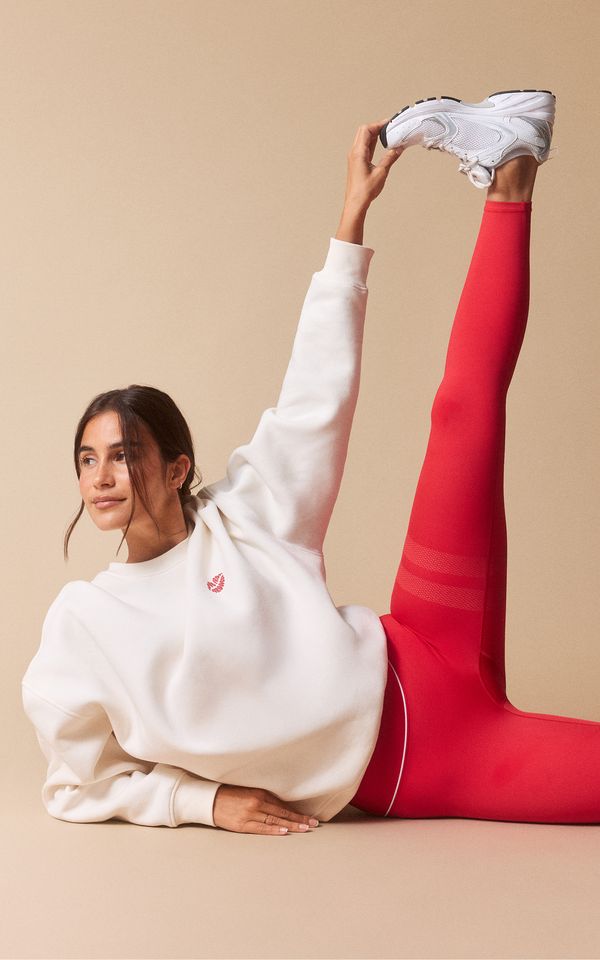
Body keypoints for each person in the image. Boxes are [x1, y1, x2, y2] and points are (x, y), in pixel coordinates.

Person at [22, 89, 599, 837]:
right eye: (87, 459)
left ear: (175, 468)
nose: (100, 476)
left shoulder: (246, 515)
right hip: (429, 757)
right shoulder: (83, 625)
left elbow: (314, 395)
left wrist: (349, 222)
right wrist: (201, 802)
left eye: (124, 455)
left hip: (418, 638)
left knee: (464, 409)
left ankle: (514, 159)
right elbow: (74, 786)